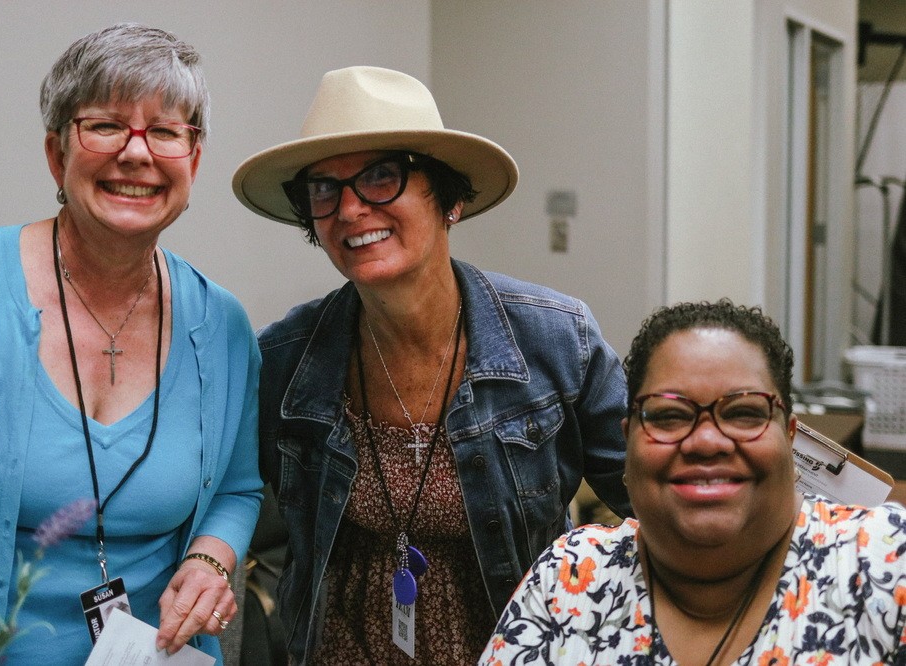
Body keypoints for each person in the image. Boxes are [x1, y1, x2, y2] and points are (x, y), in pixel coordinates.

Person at [232, 66, 630, 664]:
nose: (350, 209)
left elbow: (654, 498)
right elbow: (225, 494)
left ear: (450, 199)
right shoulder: (286, 359)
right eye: (325, 188)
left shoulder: (555, 339)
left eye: (381, 177)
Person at [0, 23, 262, 663]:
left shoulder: (223, 326)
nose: (136, 153)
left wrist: (210, 560)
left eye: (165, 132)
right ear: (56, 154)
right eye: (105, 126)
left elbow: (238, 489)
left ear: (193, 160)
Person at [480, 299, 906, 665]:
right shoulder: (570, 577)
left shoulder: (883, 560)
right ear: (628, 441)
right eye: (669, 416)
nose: (706, 441)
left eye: (744, 413)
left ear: (789, 436)